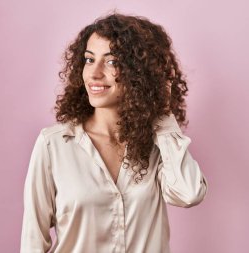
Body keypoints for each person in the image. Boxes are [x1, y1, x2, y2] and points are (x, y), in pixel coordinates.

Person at [20, 12, 208, 253]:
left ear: (139, 74)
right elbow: (33, 242)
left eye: (112, 61)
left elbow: (189, 194)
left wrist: (163, 114)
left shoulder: (157, 144)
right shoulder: (53, 144)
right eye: (89, 59)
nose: (95, 73)